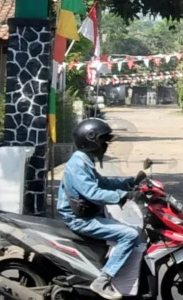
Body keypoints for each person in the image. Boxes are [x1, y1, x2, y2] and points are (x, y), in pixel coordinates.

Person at [58, 118, 146, 300]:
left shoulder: (84, 160)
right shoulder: (78, 165)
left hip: (88, 213)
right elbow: (93, 192)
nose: (105, 145)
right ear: (91, 140)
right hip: (80, 219)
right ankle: (102, 280)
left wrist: (129, 182)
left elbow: (103, 182)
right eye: (103, 141)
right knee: (129, 234)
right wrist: (124, 196)